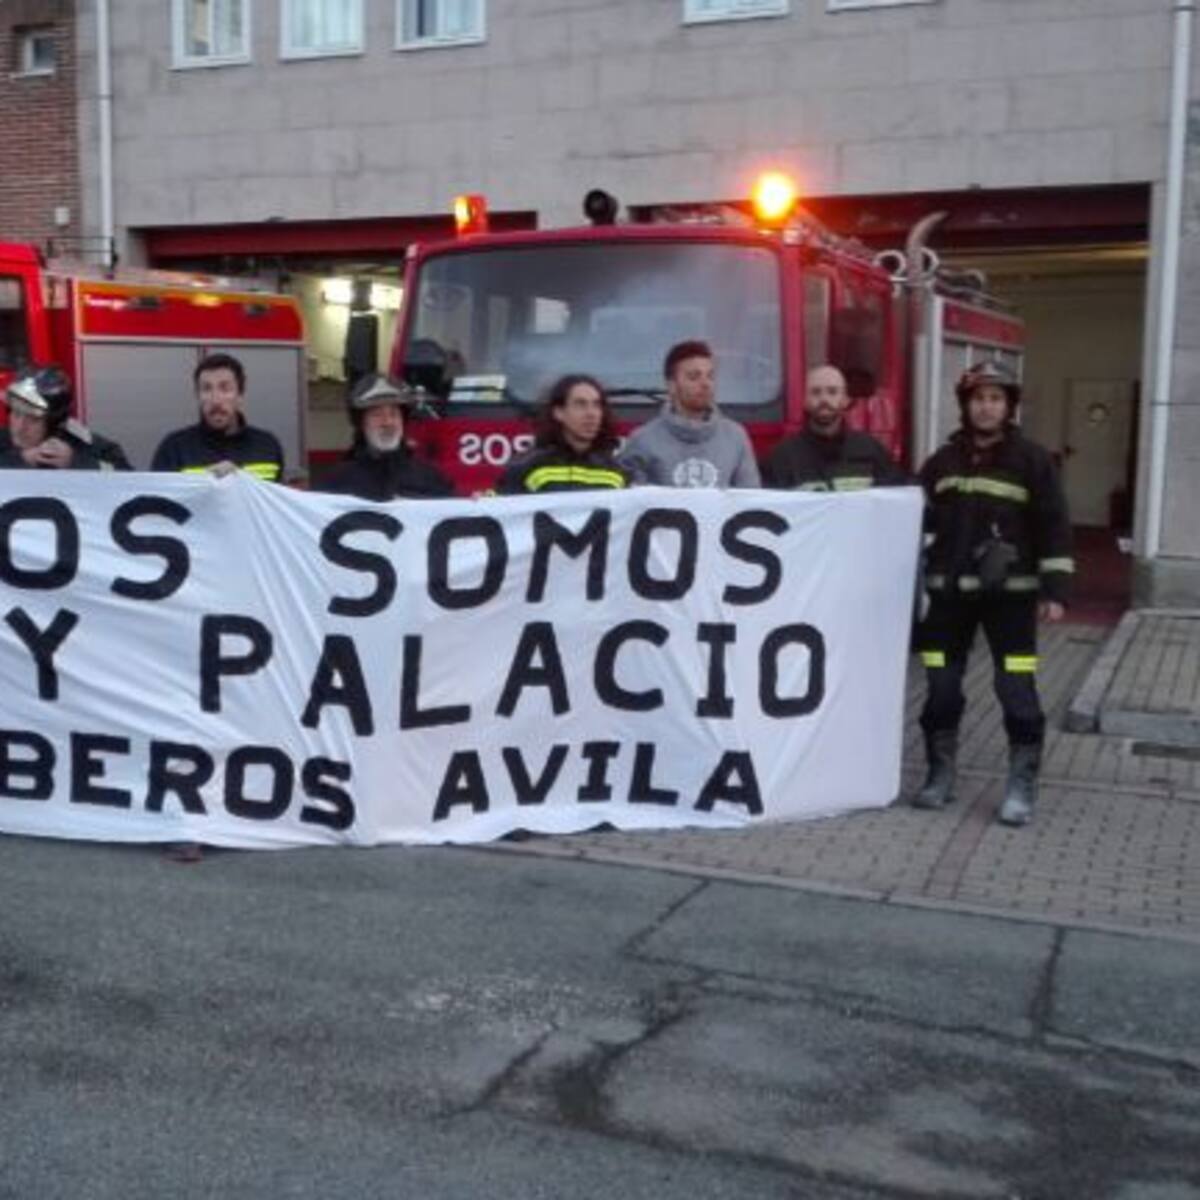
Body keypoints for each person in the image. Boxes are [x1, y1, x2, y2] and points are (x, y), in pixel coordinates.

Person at [913, 361, 1073, 828]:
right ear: (966, 404)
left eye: (996, 398)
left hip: (1011, 601)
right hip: (947, 600)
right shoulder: (940, 463)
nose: (987, 407)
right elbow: (911, 519)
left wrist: (1056, 590)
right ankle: (940, 773)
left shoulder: (1032, 460)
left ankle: (1022, 783)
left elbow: (1054, 526)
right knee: (940, 687)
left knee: (1015, 689)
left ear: (1009, 406)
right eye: (979, 398)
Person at [619, 340, 760, 488]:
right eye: (694, 377)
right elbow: (633, 504)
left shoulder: (736, 437)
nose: (706, 384)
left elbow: (750, 501)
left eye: (710, 376)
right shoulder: (643, 441)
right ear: (672, 385)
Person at [761, 364, 908, 490]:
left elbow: (896, 495)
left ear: (845, 400)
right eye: (815, 392)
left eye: (832, 392)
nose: (824, 399)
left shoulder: (871, 449)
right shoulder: (782, 456)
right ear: (804, 400)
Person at [316, 373, 454, 501]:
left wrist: (472, 508)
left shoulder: (431, 479)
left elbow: (453, 520)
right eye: (377, 414)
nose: (387, 422)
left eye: (394, 414)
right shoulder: (336, 483)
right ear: (362, 424)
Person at [151, 352, 285, 480]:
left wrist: (242, 481)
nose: (215, 400)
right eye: (206, 389)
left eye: (225, 388)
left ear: (240, 395)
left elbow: (275, 501)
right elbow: (156, 502)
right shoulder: (173, 449)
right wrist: (204, 483)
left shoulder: (268, 446)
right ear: (198, 396)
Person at [497, 374, 629, 494]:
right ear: (559, 413)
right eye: (580, 404)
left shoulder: (617, 472)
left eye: (596, 405)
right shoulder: (527, 468)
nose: (591, 413)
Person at [0, 366, 131, 471]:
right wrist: (19, 460)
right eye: (16, 414)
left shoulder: (86, 445)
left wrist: (75, 462)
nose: (20, 427)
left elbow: (128, 476)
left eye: (34, 420)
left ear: (55, 423)